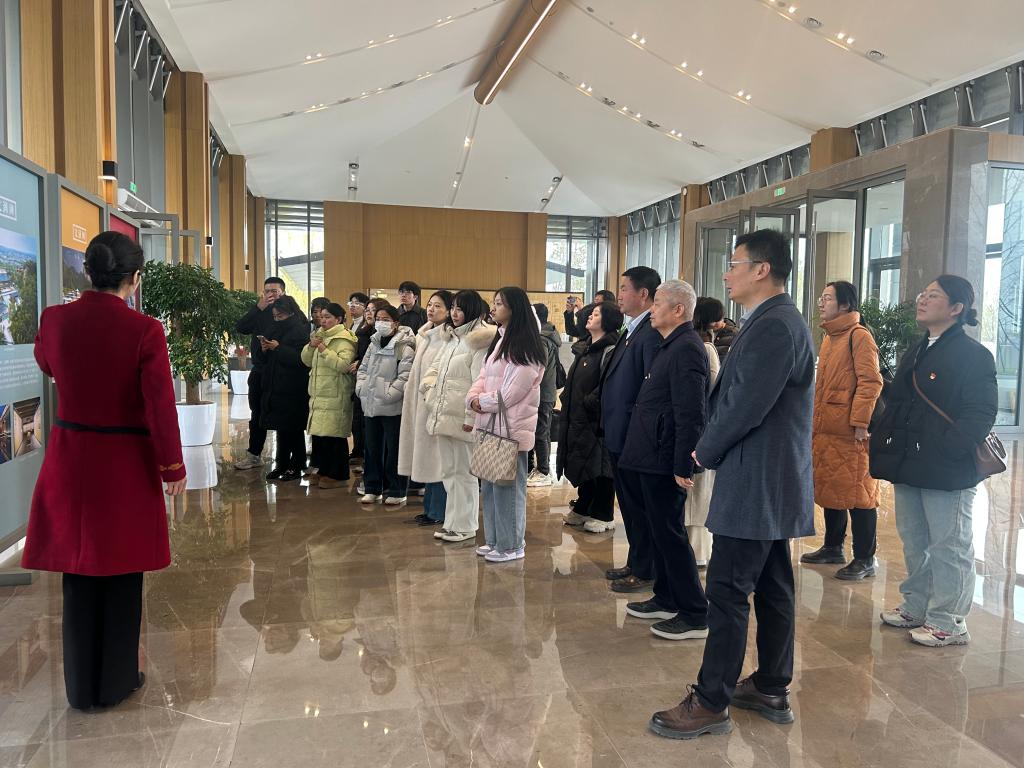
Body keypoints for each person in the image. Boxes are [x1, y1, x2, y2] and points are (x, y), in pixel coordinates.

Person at [649, 229, 814, 739]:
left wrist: (702, 451)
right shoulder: (772, 320)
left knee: (726, 590)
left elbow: (744, 405)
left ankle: (711, 700)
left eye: (734, 264)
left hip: (757, 479)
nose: (726, 274)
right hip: (767, 477)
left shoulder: (775, 325)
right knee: (772, 584)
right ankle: (769, 685)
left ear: (761, 269)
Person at [22, 231, 186, 710]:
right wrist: (172, 465)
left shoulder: (55, 319)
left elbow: (46, 362)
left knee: (78, 573)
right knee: (122, 570)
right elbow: (159, 405)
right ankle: (116, 680)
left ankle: (81, 687)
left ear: (89, 273)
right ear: (134, 279)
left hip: (71, 455)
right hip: (123, 461)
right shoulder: (144, 330)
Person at [870, 275, 997, 647]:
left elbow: (980, 412)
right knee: (915, 541)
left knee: (949, 545)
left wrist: (950, 449)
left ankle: (949, 621)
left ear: (957, 308)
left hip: (947, 466)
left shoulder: (974, 355)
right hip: (910, 461)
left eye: (934, 295)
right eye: (923, 293)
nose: (922, 300)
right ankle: (917, 605)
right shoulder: (918, 348)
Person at [617, 281, 710, 641]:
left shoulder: (687, 348)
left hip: (663, 456)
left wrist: (683, 463)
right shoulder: (670, 345)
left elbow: (691, 413)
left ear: (678, 310)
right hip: (650, 453)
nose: (652, 309)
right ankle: (667, 597)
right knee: (659, 532)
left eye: (657, 303)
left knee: (670, 535)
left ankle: (694, 612)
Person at [802, 281, 884, 580]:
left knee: (860, 495)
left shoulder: (858, 336)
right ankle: (833, 547)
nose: (821, 303)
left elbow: (870, 381)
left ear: (845, 304)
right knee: (832, 488)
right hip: (828, 429)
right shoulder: (830, 337)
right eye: (821, 297)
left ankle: (865, 558)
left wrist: (861, 422)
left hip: (851, 432)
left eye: (827, 298)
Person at [467, 287, 546, 562]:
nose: (493, 308)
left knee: (508, 491)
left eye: (499, 303)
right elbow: (482, 376)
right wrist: (472, 398)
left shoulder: (526, 346)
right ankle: (495, 540)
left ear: (515, 308)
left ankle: (512, 545)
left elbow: (513, 392)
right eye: (494, 302)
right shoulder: (500, 340)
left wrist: (481, 402)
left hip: (510, 429)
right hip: (490, 426)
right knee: (490, 487)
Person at [599, 266, 662, 593]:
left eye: (624, 288)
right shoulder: (632, 329)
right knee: (629, 505)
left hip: (633, 435)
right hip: (618, 432)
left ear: (643, 294)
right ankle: (636, 561)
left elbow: (649, 390)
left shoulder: (651, 332)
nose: (619, 295)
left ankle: (646, 568)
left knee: (640, 507)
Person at [421, 290, 495, 542]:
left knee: (464, 474)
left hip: (463, 420)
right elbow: (434, 370)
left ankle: (465, 525)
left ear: (472, 310)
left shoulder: (479, 340)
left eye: (460, 308)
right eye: (453, 307)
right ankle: (452, 523)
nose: (454, 313)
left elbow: (478, 384)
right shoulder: (452, 338)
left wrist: (470, 419)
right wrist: (429, 392)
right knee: (449, 473)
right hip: (444, 415)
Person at [556, 302, 622, 533]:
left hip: (596, 419)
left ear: (607, 321)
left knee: (601, 465)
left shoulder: (610, 349)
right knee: (582, 460)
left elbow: (608, 385)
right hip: (578, 416)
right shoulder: (586, 347)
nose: (589, 317)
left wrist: (588, 403)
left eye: (595, 314)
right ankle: (584, 505)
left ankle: (603, 513)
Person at [398, 290, 454, 526]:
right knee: (426, 458)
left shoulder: (449, 337)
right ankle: (430, 508)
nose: (431, 309)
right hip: (419, 406)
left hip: (435, 407)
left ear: (450, 311)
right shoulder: (425, 335)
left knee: (438, 460)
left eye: (438, 306)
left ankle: (438, 510)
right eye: (430, 305)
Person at [356, 304, 416, 504]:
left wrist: (389, 394)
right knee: (372, 449)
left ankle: (397, 490)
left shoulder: (404, 346)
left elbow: (405, 376)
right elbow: (363, 368)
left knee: (394, 450)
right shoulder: (373, 343)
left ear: (395, 323)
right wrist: (361, 388)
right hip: (370, 403)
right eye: (378, 319)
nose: (380, 323)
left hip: (393, 406)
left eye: (385, 319)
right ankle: (372, 488)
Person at [301, 302, 358, 489]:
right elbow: (306, 361)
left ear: (338, 319)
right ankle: (323, 470)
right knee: (320, 435)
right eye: (322, 317)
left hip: (336, 392)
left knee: (334, 435)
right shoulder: (319, 336)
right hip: (319, 392)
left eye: (327, 317)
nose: (323, 320)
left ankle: (338, 475)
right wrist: (311, 346)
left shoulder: (345, 339)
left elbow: (344, 366)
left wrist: (324, 351)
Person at [235, 276, 286, 470]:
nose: (270, 295)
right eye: (267, 291)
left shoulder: (289, 312)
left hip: (280, 371)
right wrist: (258, 308)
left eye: (274, 291)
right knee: (256, 413)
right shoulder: (260, 311)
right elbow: (241, 327)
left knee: (282, 413)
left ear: (283, 292)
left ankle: (284, 459)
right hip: (259, 370)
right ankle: (254, 454)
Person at [687, 298, 724, 567]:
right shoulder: (705, 347)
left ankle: (697, 551)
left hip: (698, 432)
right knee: (698, 493)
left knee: (697, 493)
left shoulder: (700, 346)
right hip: (701, 431)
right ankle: (697, 552)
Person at [259, 295, 312, 482]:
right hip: (275, 385)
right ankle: (281, 464)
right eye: (275, 316)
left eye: (280, 316)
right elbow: (265, 359)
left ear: (290, 313)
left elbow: (301, 359)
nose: (277, 319)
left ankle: (296, 465)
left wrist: (278, 348)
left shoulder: (300, 330)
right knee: (281, 429)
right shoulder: (275, 328)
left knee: (293, 428)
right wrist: (265, 349)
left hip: (293, 387)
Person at [527, 303, 562, 488]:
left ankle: (543, 471)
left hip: (541, 392)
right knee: (540, 431)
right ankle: (535, 468)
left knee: (540, 432)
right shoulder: (548, 334)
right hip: (545, 391)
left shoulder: (541, 338)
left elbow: (537, 367)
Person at [350, 298, 385, 467]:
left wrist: (360, 363)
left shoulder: (383, 335)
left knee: (371, 425)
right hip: (361, 382)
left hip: (377, 384)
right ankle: (358, 451)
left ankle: (369, 459)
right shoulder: (362, 332)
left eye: (373, 310)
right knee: (358, 419)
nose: (369, 313)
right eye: (367, 310)